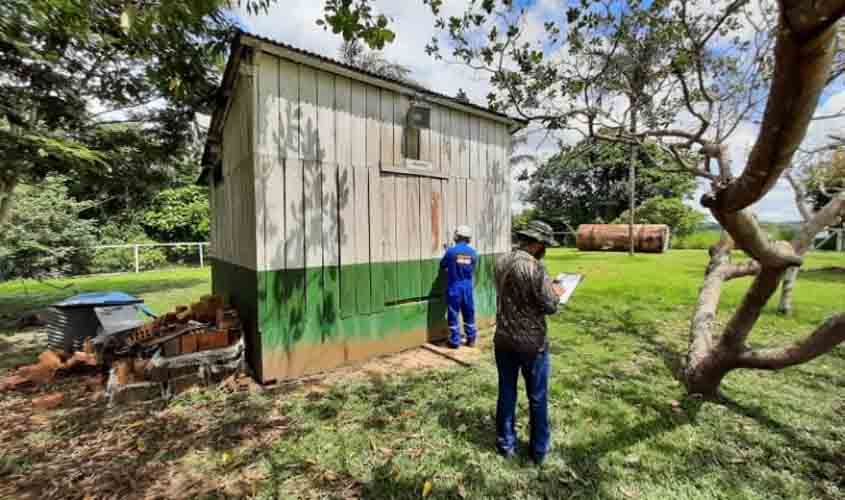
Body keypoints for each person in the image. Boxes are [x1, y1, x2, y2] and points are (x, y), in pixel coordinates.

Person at [493, 220, 563, 466]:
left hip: (503, 339)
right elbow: (550, 306)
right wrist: (556, 292)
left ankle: (506, 444)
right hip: (532, 345)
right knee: (537, 396)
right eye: (545, 245)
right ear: (536, 244)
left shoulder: (500, 261)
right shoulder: (535, 267)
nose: (546, 250)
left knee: (506, 392)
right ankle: (539, 450)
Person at [440, 225, 478, 349]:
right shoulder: (473, 253)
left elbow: (443, 265)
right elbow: (471, 266)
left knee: (453, 312)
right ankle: (471, 339)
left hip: (454, 286)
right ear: (468, 238)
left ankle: (455, 341)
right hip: (467, 286)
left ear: (456, 236)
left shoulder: (451, 251)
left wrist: (448, 252)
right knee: (469, 312)